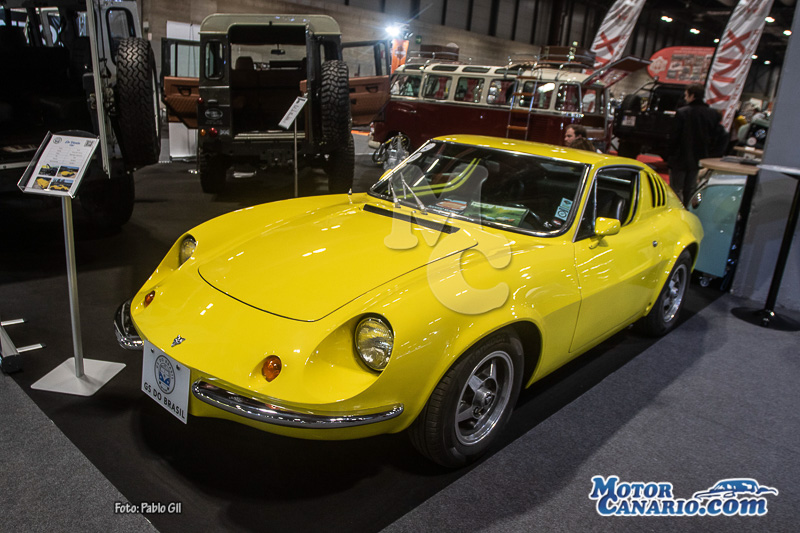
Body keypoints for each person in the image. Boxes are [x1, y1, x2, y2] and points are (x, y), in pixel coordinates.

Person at [667, 83, 725, 204]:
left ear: (692, 95)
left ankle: (677, 211)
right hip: (700, 158)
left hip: (679, 158)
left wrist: (670, 155)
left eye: (686, 95)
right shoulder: (713, 114)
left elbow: (674, 137)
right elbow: (720, 136)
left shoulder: (682, 113)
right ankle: (689, 210)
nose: (685, 98)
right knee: (691, 189)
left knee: (676, 190)